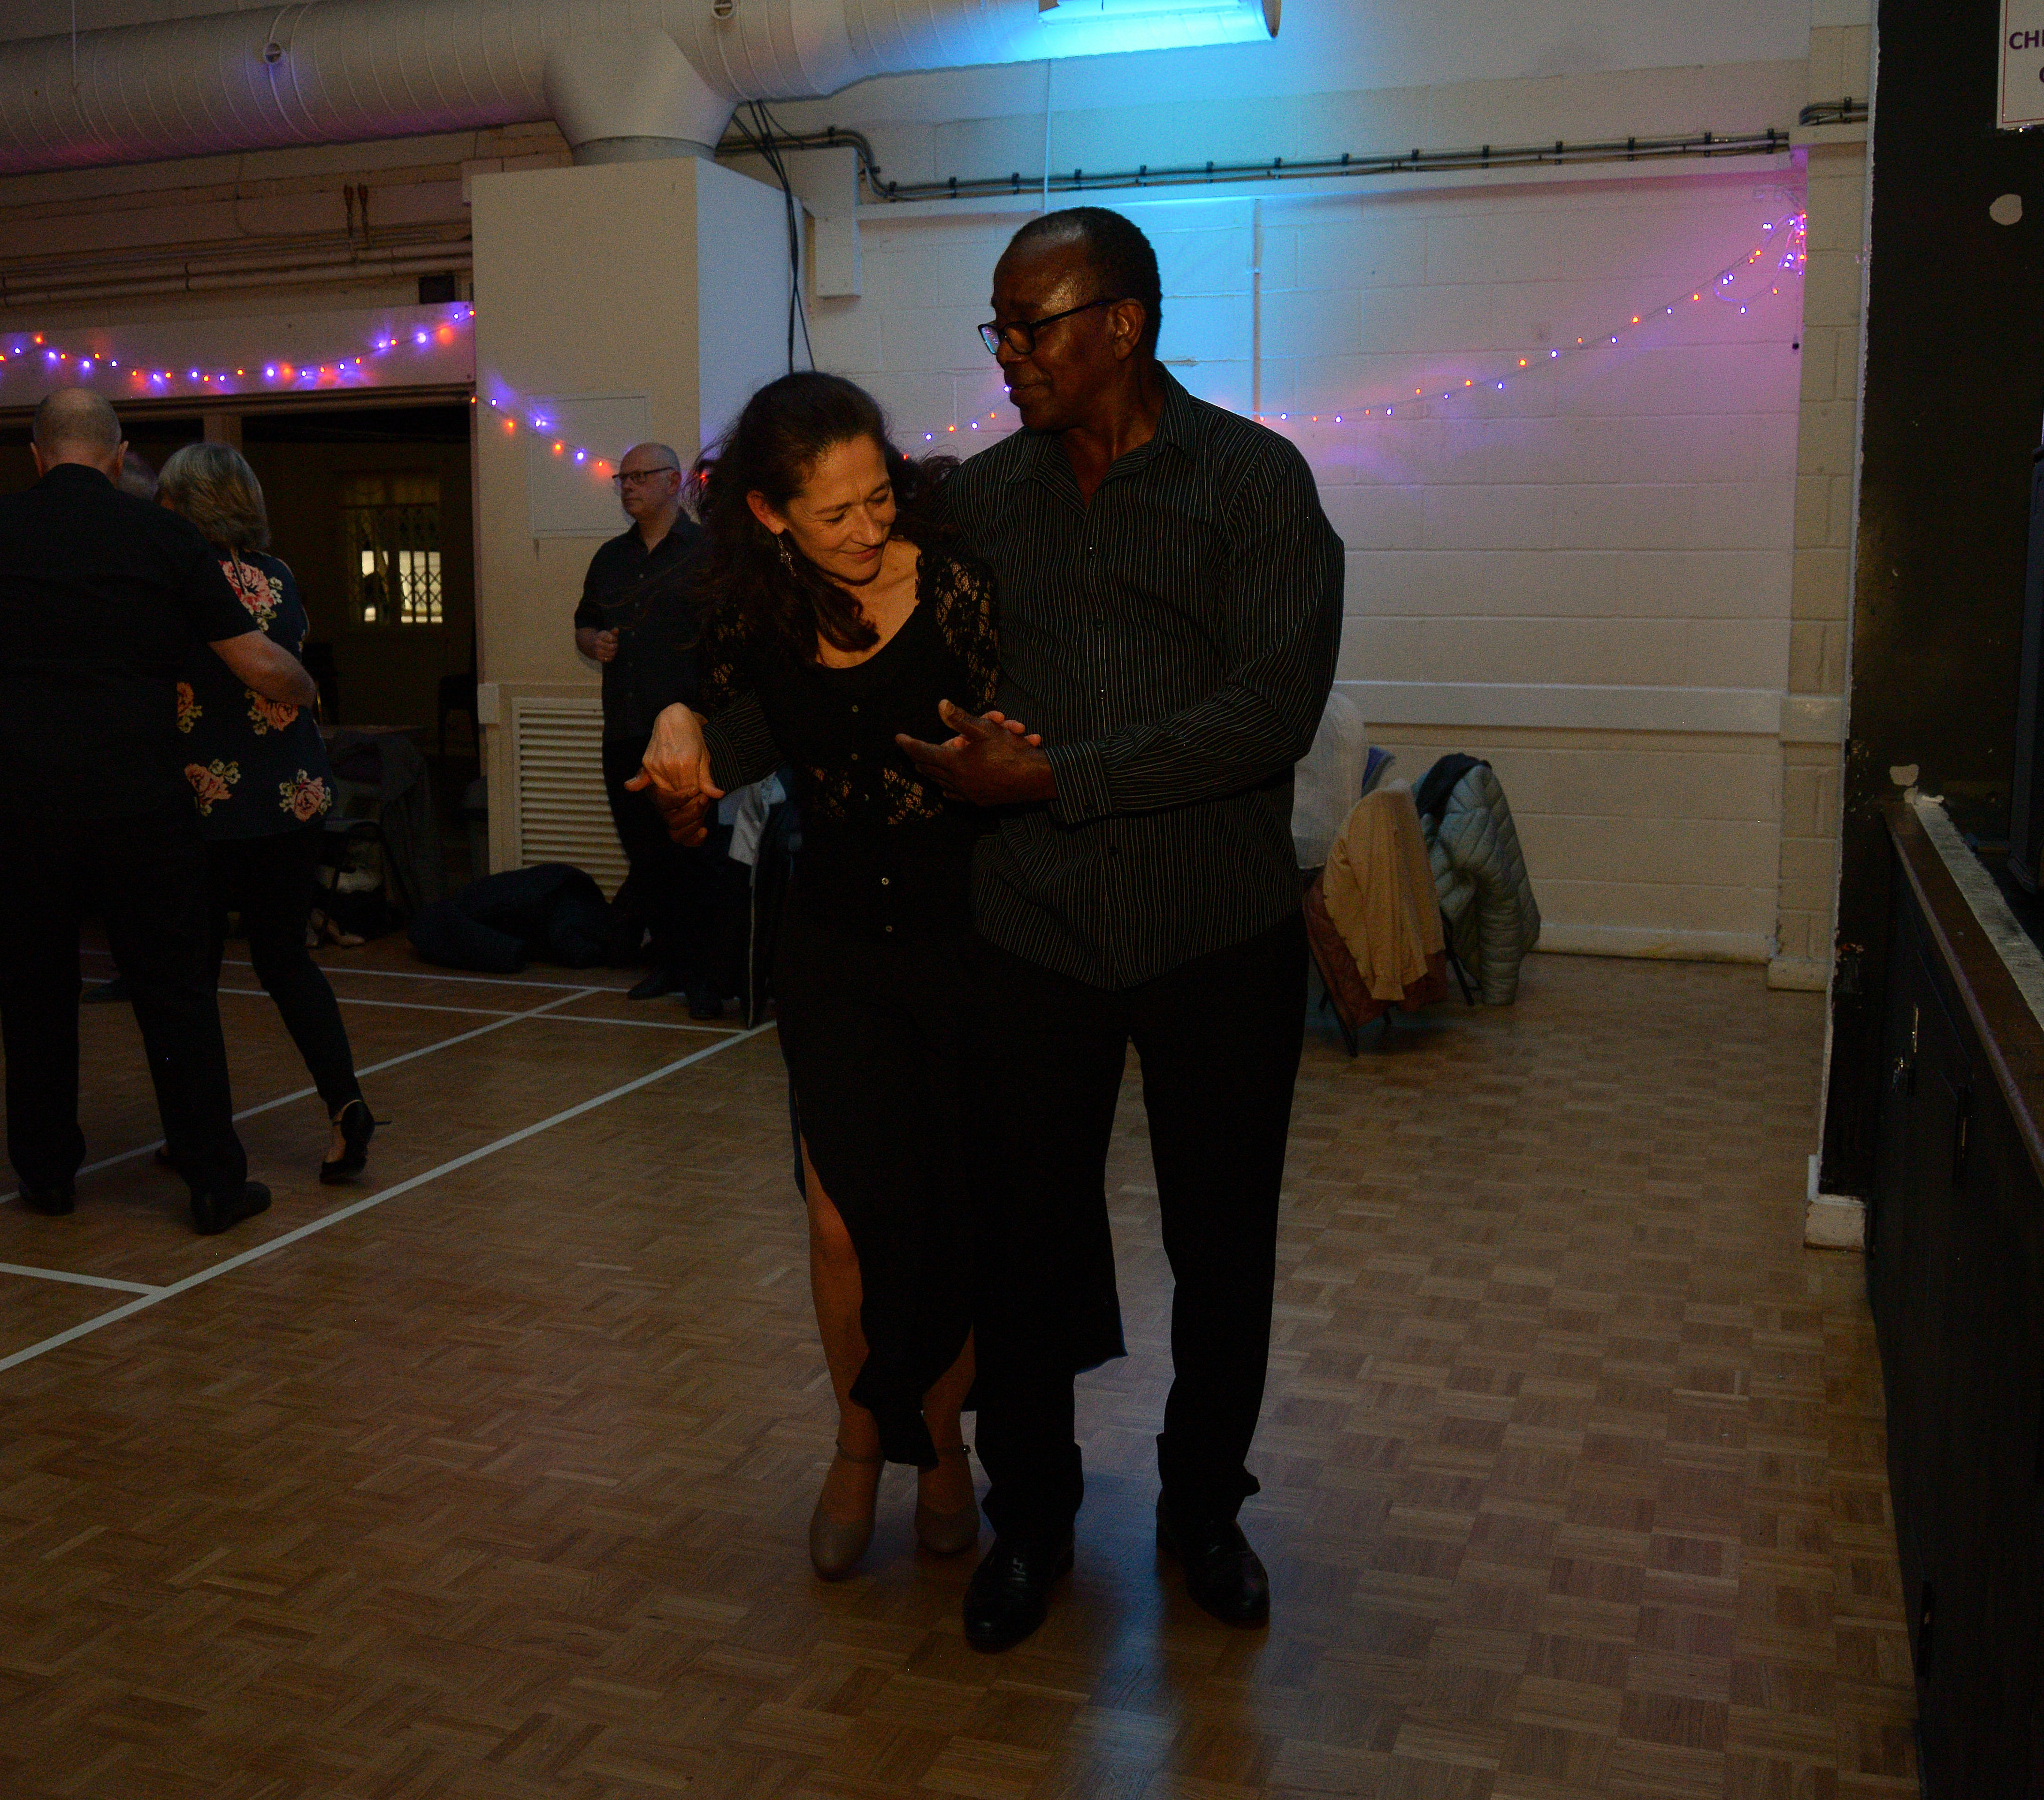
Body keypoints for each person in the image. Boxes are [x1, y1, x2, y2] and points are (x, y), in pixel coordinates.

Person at [896, 208, 1345, 1651]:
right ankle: (1031, 1514)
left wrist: (1059, 776)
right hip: (1028, 929)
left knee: (1222, 1242)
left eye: (1030, 326)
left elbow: (1267, 712)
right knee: (1020, 1241)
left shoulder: (1253, 483)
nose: (1008, 354)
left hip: (1211, 927)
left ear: (1122, 324)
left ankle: (1203, 1505)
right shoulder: (981, 501)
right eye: (999, 328)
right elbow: (902, 659)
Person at [633, 373, 1115, 1581]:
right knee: (843, 1223)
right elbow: (744, 732)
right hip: (837, 949)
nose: (867, 529)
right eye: (835, 512)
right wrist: (684, 725)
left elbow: (1039, 726)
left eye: (879, 498)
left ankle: (940, 1447)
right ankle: (860, 1443)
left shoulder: (956, 582)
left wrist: (1014, 751)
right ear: (768, 513)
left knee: (951, 1224)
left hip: (973, 942)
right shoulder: (756, 607)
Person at [0, 389, 316, 1234]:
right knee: (175, 991)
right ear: (117, 455)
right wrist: (307, 687)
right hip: (139, 800)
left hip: (23, 801)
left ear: (36, 455)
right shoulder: (165, 537)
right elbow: (255, 660)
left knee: (33, 992)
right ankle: (213, 1183)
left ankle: (46, 1175)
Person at [159, 441, 375, 1184]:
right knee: (286, 961)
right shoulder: (277, 575)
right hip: (293, 793)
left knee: (191, 978)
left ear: (184, 503)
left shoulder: (181, 580)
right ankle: (346, 1105)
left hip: (210, 801)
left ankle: (199, 1135)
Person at [574, 440, 727, 1014]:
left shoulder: (707, 553)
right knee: (646, 853)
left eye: (641, 476)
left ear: (673, 481)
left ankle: (707, 975)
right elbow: (584, 623)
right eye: (624, 478)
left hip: (690, 734)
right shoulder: (610, 558)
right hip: (626, 726)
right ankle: (668, 962)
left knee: (696, 853)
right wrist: (594, 641)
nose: (630, 486)